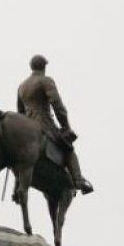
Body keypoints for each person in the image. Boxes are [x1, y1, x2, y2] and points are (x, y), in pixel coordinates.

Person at [17, 54, 94, 194]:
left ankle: (18, 184)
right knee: (68, 148)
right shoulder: (45, 80)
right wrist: (65, 126)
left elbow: (20, 112)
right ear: (44, 67)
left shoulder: (21, 86)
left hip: (27, 125)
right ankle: (78, 180)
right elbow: (57, 104)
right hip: (44, 123)